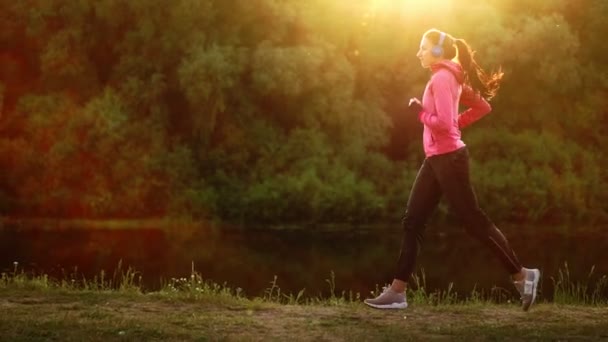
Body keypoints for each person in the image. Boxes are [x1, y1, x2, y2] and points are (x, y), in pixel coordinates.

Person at [364, 29, 540, 311]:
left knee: (473, 221)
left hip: (449, 160)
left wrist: (420, 113)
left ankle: (523, 275)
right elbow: (483, 107)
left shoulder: (443, 78)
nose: (418, 52)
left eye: (423, 47)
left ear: (436, 51)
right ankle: (397, 292)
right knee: (412, 221)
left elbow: (444, 123)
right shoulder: (451, 76)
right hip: (435, 159)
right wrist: (455, 123)